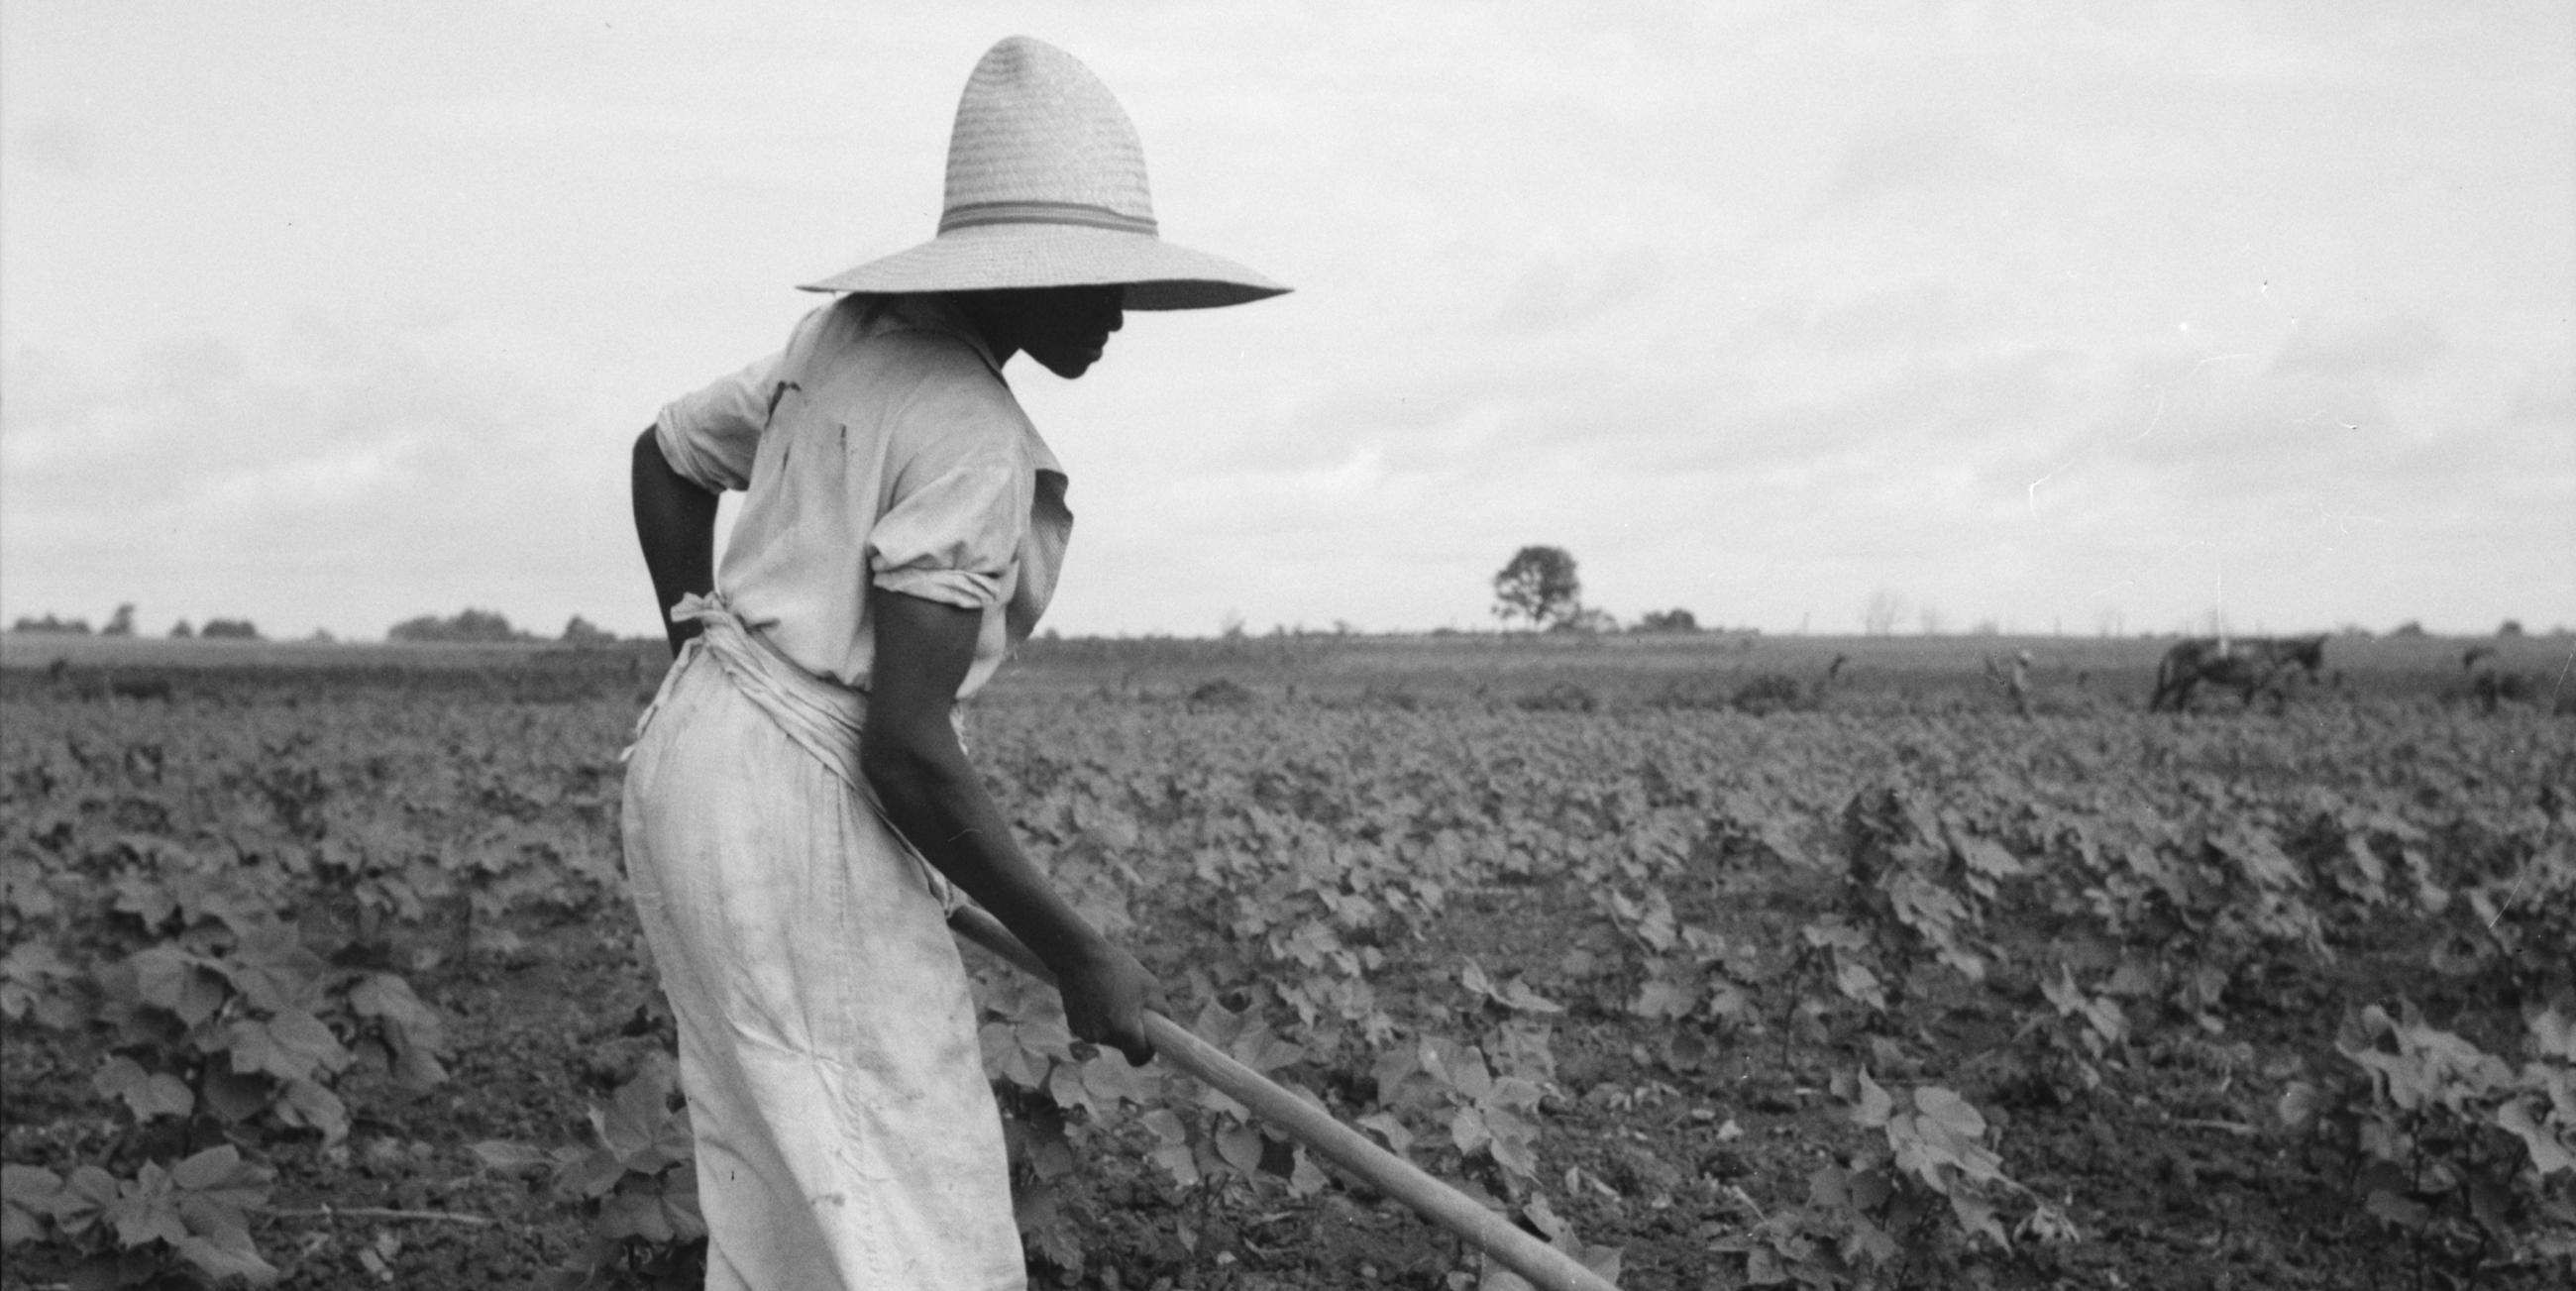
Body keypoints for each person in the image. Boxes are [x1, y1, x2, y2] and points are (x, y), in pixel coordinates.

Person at [620, 37, 1286, 1290]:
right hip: (790, 808)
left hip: (692, 766)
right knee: (910, 1185)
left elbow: (661, 457)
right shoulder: (977, 437)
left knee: (785, 1175)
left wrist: (707, 657)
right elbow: (908, 753)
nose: (1113, 315)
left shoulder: (840, 342)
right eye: (1086, 283)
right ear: (1005, 280)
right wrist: (1082, 950)